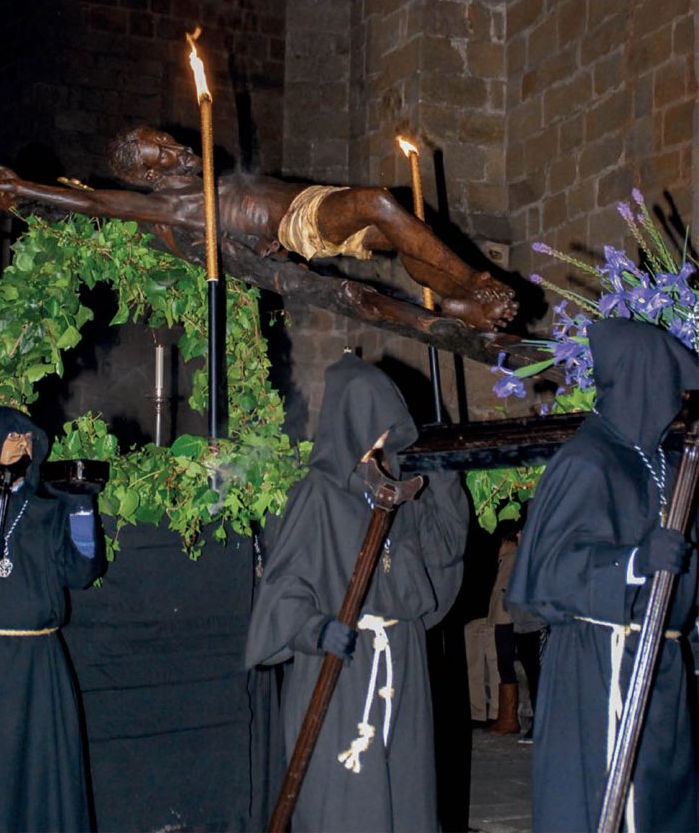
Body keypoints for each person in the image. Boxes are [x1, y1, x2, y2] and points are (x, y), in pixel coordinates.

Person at [0, 126, 517, 332]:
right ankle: (474, 279)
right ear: (150, 176)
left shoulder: (204, 176)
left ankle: (457, 303)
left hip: (309, 205)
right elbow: (98, 206)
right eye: (166, 152)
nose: (180, 148)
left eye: (170, 140)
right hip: (301, 223)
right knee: (377, 200)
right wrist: (21, 187)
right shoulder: (174, 209)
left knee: (400, 226)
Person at [245, 352, 469, 832]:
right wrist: (316, 628)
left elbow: (444, 553)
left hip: (401, 665)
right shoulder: (317, 495)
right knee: (347, 806)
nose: (384, 441)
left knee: (405, 797)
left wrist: (444, 475)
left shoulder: (393, 490)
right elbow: (283, 586)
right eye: (378, 428)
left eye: (390, 430)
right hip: (342, 669)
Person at [506, 319, 698, 833]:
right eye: (666, 381)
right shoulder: (586, 461)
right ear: (640, 381)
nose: (676, 397)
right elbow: (544, 575)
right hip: (601, 666)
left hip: (663, 666)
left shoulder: (669, 462)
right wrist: (633, 562)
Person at [0, 406, 106, 832]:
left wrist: (81, 510)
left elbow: (82, 572)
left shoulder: (42, 510)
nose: (23, 447)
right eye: (14, 438)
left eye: (30, 441)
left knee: (39, 788)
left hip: (38, 674)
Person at [485, 522, 521, 735]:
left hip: (506, 618)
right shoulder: (508, 557)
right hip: (504, 617)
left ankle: (509, 718)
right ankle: (506, 717)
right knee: (503, 665)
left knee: (505, 665)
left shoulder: (510, 557)